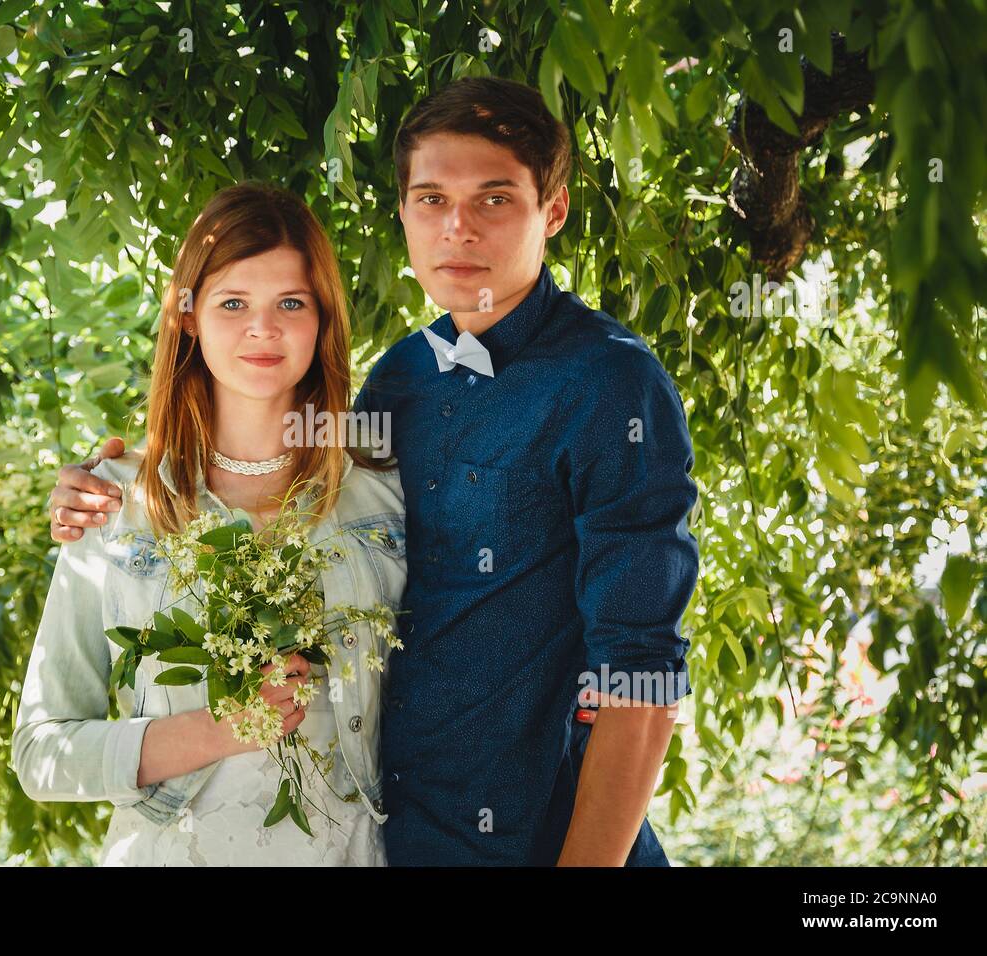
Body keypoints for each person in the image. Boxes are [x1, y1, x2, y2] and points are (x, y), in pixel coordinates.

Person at [49, 77, 700, 866]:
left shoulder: (611, 384)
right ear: (403, 214)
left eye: (493, 200)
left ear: (552, 210)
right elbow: (264, 449)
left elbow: (643, 679)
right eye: (431, 199)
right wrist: (117, 478)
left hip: (546, 842)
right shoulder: (399, 380)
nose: (457, 228)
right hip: (397, 843)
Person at [13, 182, 406, 865]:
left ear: (323, 319)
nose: (264, 329)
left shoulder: (385, 495)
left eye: (291, 302)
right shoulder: (113, 504)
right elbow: (40, 754)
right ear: (189, 318)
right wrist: (221, 727)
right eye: (233, 304)